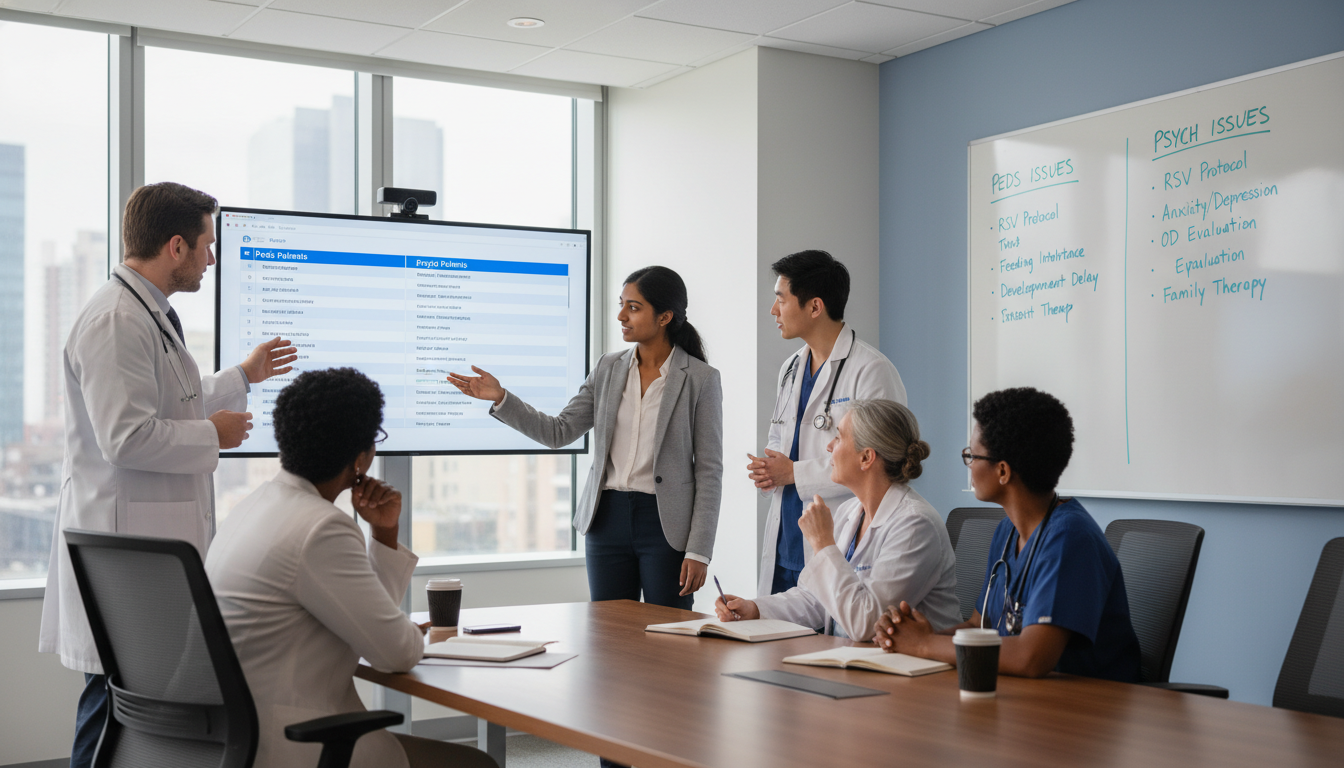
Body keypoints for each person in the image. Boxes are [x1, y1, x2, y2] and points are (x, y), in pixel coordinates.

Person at [38, 182, 297, 768]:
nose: (212, 258)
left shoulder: (143, 314)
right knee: (113, 713)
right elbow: (127, 436)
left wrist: (242, 376)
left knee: (130, 711)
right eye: (207, 245)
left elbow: (174, 398)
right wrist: (216, 436)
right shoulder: (114, 321)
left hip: (142, 554)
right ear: (176, 246)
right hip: (128, 556)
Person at [205, 368, 497, 768]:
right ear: (360, 458)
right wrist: (404, 634)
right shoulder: (320, 527)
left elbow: (364, 619)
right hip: (297, 743)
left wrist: (384, 533)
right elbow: (396, 654)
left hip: (232, 738)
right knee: (475, 764)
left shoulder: (257, 505)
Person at [448, 266, 722, 610]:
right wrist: (502, 397)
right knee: (609, 634)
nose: (621, 315)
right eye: (622, 304)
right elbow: (558, 431)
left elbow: (709, 470)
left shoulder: (700, 378)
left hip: (665, 525)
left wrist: (699, 549)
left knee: (668, 631)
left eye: (634, 308)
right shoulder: (608, 368)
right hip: (606, 519)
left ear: (665, 316)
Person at [873, 387, 1141, 682]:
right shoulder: (1007, 531)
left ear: (1002, 471)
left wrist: (925, 645)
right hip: (1023, 701)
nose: (969, 466)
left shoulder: (1070, 539)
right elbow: (980, 624)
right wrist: (907, 636)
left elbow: (1031, 658)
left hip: (1089, 708)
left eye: (971, 456)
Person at [716, 400, 959, 640]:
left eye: (839, 437)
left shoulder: (916, 526)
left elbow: (867, 623)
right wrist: (755, 609)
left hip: (915, 672)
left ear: (866, 458)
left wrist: (823, 544)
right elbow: (817, 600)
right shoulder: (849, 511)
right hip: (856, 663)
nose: (830, 446)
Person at [750, 249, 907, 597]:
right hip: (786, 537)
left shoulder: (871, 370)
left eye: (781, 300)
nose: (774, 311)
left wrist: (793, 473)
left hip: (838, 532)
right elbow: (780, 440)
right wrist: (769, 470)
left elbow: (880, 461)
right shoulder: (791, 368)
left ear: (815, 306)